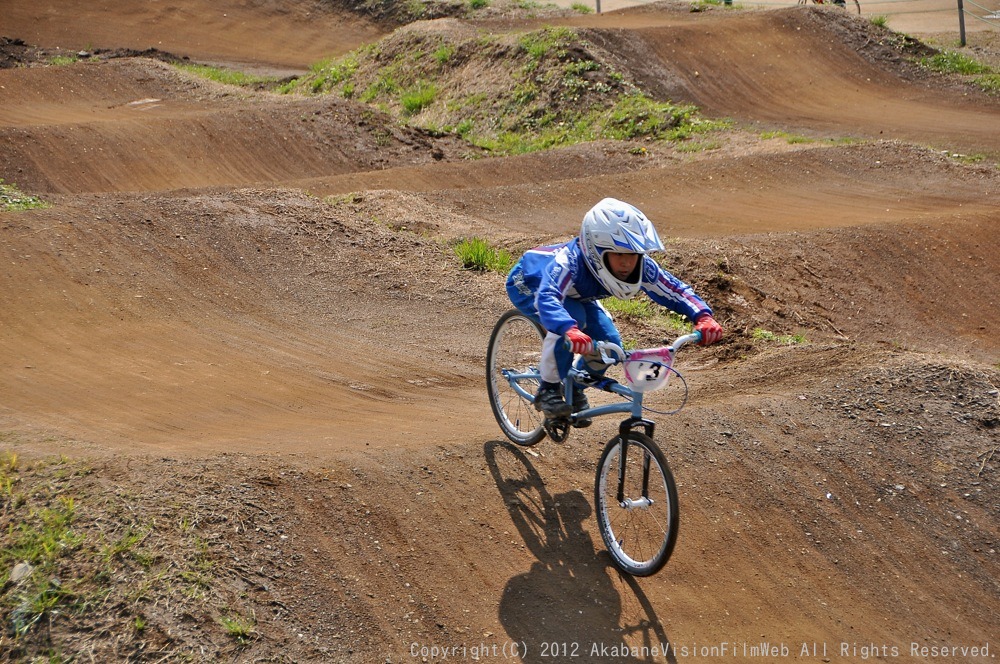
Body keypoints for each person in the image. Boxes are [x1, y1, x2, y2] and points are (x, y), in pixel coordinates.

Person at [505, 197, 723, 424]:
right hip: (531, 285)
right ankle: (548, 389)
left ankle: (575, 387)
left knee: (611, 346)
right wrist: (569, 329)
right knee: (572, 320)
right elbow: (548, 297)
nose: (627, 263)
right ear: (595, 249)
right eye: (619, 254)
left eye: (632, 254)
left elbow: (674, 289)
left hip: (577, 294)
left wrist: (703, 316)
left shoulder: (640, 265)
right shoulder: (568, 261)